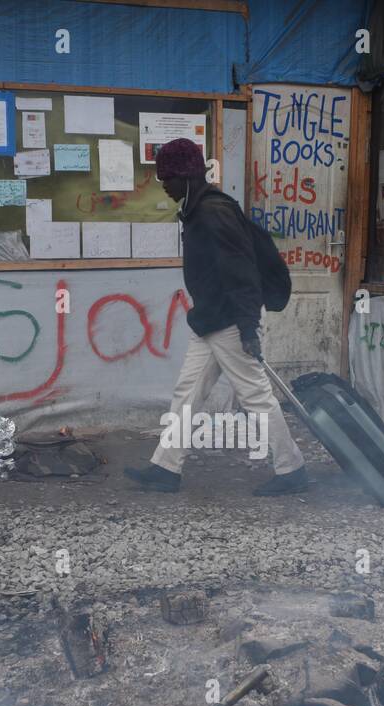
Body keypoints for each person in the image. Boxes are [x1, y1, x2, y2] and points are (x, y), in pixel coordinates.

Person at [124, 137, 308, 496]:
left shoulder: (213, 213)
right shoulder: (198, 209)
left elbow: (242, 274)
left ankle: (292, 469)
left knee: (255, 395)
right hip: (209, 319)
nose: (163, 184)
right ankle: (165, 468)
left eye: (167, 177)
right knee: (187, 393)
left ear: (186, 176)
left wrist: (248, 328)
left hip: (230, 322)